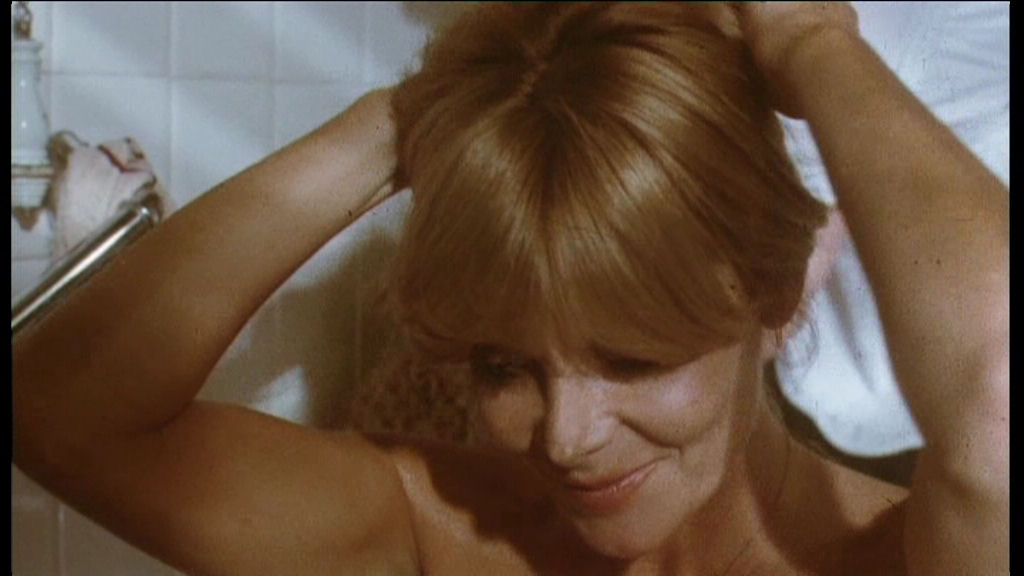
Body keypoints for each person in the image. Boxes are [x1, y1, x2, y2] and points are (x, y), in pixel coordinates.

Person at [13, 2, 1007, 574]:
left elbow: (997, 402)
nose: (567, 436)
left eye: (632, 358)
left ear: (777, 298)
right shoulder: (442, 532)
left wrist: (811, 43)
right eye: (503, 367)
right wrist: (409, 121)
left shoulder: (902, 560)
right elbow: (64, 417)